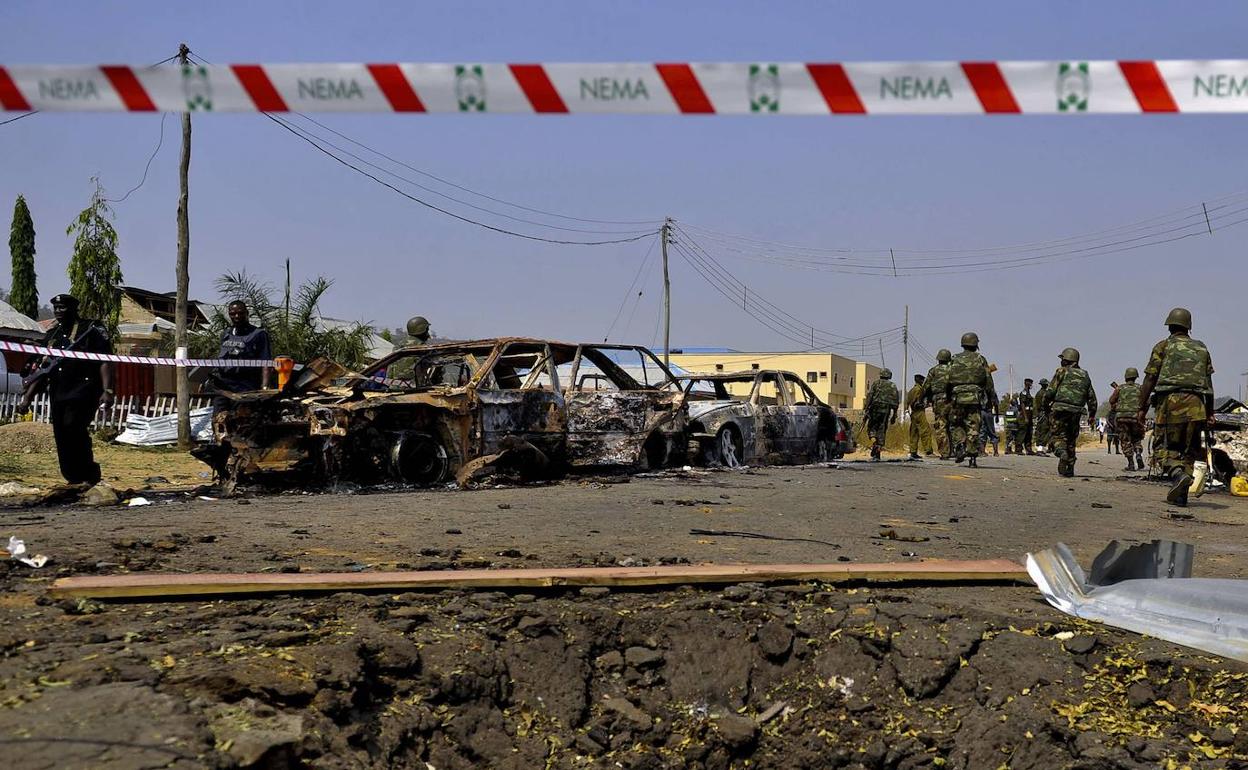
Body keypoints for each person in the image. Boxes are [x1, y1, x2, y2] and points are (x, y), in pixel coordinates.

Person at [17, 294, 114, 485]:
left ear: (73, 308)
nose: (59, 312)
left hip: (84, 389)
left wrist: (108, 390)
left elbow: (106, 360)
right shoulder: (52, 336)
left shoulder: (90, 328)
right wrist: (27, 398)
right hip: (59, 392)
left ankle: (89, 472)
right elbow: (43, 370)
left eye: (63, 308)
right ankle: (72, 477)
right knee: (61, 433)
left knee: (74, 427)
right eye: (56, 308)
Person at [1136, 307, 1215, 507]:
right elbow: (1209, 383)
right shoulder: (1201, 348)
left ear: (1169, 326)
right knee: (1189, 450)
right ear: (1189, 326)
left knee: (1163, 448)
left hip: (1171, 404)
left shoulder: (1163, 346)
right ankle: (1181, 496)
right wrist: (1210, 412)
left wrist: (1141, 407)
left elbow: (1150, 378)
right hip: (1198, 405)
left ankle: (1178, 475)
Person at [210, 301, 272, 414]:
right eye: (233, 314)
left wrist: (264, 388)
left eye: (240, 313)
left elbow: (266, 362)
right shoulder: (226, 334)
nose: (237, 316)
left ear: (247, 313)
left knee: (243, 422)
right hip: (224, 387)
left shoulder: (258, 334)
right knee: (219, 420)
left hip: (245, 387)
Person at [1044, 347, 1098, 478]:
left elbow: (1050, 392)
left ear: (1067, 360)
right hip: (1076, 411)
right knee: (1071, 439)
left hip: (1060, 410)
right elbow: (1092, 397)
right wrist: (1092, 415)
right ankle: (1070, 467)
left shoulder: (1061, 371)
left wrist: (1045, 407)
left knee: (1057, 436)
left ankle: (1062, 453)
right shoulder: (1085, 375)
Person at [945, 332, 996, 468]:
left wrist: (948, 397)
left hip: (957, 397)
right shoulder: (980, 359)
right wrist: (991, 398)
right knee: (973, 427)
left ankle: (960, 445)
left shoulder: (955, 359)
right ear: (976, 344)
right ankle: (972, 459)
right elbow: (988, 381)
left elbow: (947, 379)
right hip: (974, 398)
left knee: (956, 424)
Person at [1110, 367, 1146, 471]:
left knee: (1125, 440)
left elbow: (1111, 400)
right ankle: (1138, 453)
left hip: (1122, 418)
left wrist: (1118, 405)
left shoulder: (1120, 388)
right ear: (1135, 377)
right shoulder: (1140, 388)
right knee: (1137, 438)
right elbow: (1147, 402)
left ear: (1126, 377)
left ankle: (1131, 464)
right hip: (1136, 418)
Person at [864, 368, 899, 461]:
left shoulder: (876, 383)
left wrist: (866, 409)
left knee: (871, 429)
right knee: (881, 430)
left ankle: (874, 443)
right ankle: (877, 452)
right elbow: (896, 401)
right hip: (886, 411)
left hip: (875, 409)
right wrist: (894, 415)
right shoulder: (892, 385)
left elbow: (870, 396)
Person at [924, 349, 953, 459]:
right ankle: (956, 450)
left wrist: (923, 398)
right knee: (953, 425)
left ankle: (945, 453)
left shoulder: (933, 371)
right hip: (953, 400)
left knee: (941, 426)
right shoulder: (953, 370)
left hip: (939, 401)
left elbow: (926, 386)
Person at [906, 374, 933, 459]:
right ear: (920, 381)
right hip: (919, 412)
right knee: (925, 431)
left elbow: (908, 402)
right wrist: (925, 405)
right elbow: (917, 403)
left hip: (913, 413)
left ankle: (913, 451)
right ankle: (928, 451)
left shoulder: (911, 390)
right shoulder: (919, 389)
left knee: (914, 433)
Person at [1016, 379, 1036, 454]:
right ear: (1026, 383)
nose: (1031, 384)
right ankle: (1018, 449)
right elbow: (1022, 405)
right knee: (1022, 432)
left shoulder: (1028, 393)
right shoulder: (1023, 393)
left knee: (1029, 433)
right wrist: (1025, 417)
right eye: (1029, 383)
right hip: (1024, 414)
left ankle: (1028, 449)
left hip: (1030, 413)